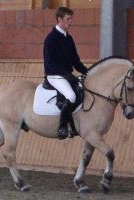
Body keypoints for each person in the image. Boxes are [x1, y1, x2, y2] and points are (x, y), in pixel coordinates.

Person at [43, 7, 88, 140]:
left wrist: (87, 71)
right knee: (71, 95)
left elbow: (75, 60)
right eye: (68, 19)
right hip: (54, 76)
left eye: (71, 19)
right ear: (59, 19)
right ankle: (62, 127)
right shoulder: (51, 39)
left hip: (66, 75)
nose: (71, 22)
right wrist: (65, 74)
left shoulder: (68, 38)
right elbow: (49, 63)